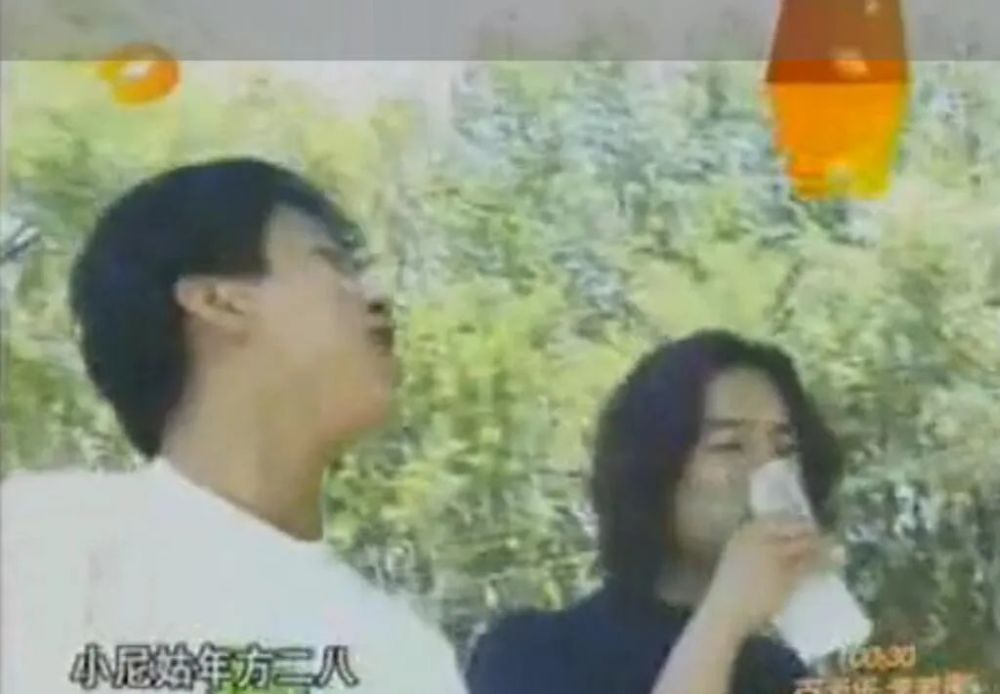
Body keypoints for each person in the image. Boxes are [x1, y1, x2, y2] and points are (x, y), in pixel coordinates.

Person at [0, 158, 468, 694]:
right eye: (332, 263)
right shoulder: (46, 540)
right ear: (218, 301)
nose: (379, 299)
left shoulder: (406, 656)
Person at [466, 330, 845, 694]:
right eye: (730, 445)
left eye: (784, 449)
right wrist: (723, 618)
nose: (767, 469)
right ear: (653, 467)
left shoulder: (780, 674)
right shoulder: (534, 651)